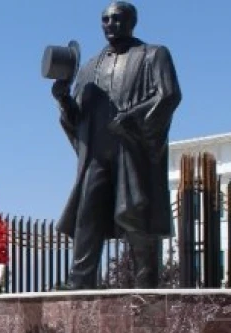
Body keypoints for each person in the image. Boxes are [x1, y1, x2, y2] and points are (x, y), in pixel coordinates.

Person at [51, 1, 182, 289]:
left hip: (131, 150)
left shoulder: (152, 55)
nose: (111, 24)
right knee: (88, 215)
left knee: (135, 214)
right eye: (106, 19)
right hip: (96, 154)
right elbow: (77, 121)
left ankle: (146, 283)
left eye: (117, 18)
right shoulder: (88, 69)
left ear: (132, 21)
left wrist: (132, 118)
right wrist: (62, 98)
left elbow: (169, 95)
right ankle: (80, 282)